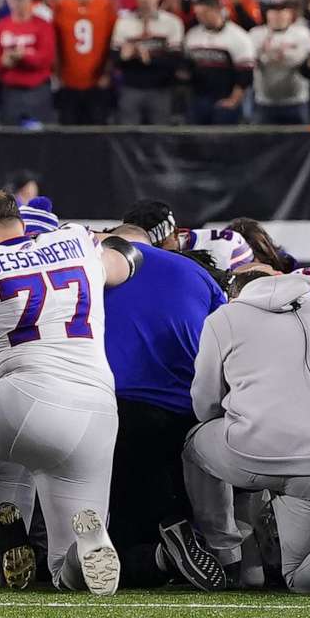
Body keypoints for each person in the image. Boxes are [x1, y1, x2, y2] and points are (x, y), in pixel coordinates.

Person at [0, 188, 133, 593]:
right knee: (65, 568)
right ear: (20, 223)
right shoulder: (75, 240)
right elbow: (126, 261)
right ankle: (83, 550)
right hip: (97, 411)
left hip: (25, 398)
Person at [185, 262, 310, 595]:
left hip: (252, 456)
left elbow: (204, 403)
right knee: (300, 577)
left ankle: (228, 553)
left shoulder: (224, 319)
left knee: (194, 443)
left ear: (234, 294)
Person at [95, 225, 231, 588]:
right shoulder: (197, 273)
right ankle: (215, 549)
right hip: (191, 414)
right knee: (170, 492)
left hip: (118, 409)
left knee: (116, 548)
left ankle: (162, 555)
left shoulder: (95, 267)